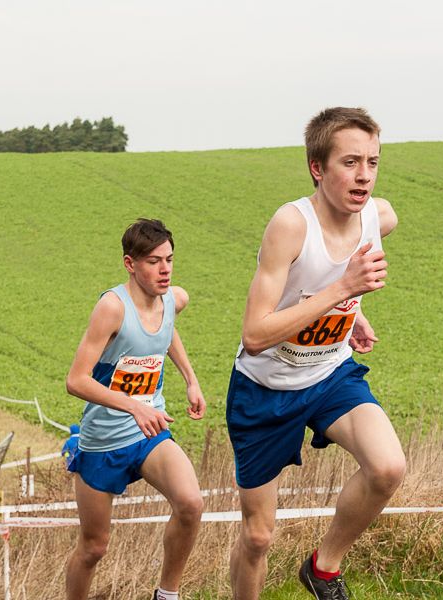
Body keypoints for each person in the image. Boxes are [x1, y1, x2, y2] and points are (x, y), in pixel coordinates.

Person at [226, 107, 405, 600]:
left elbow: (328, 275)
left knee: (388, 467)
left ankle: (323, 568)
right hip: (265, 389)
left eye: (372, 161)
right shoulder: (290, 225)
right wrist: (344, 288)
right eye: (349, 162)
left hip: (329, 377)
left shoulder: (379, 215)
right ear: (317, 168)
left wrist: (351, 313)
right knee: (259, 536)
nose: (364, 175)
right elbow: (255, 335)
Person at [64, 218, 206, 600]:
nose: (165, 270)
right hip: (103, 441)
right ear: (130, 264)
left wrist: (190, 378)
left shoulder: (175, 298)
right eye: (153, 262)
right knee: (94, 547)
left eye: (170, 260)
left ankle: (167, 594)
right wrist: (132, 407)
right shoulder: (112, 308)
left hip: (149, 434)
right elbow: (76, 380)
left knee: (191, 503)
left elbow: (167, 328)